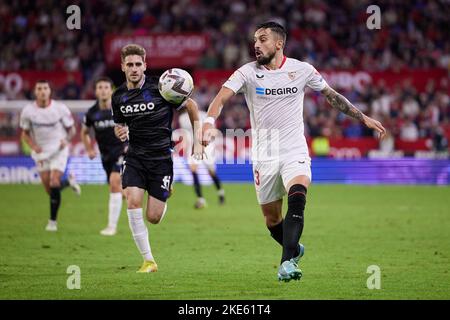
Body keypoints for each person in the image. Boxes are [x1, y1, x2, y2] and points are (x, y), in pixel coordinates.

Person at [201, 22, 386, 282]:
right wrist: (209, 124)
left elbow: (331, 95)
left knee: (298, 195)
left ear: (279, 44)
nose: (256, 44)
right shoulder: (247, 73)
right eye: (255, 40)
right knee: (271, 219)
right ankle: (294, 249)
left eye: (263, 39)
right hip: (264, 156)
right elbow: (220, 97)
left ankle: (286, 263)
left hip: (294, 149)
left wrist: (363, 117)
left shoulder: (302, 70)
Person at [112, 44, 202, 273]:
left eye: (138, 64)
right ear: (122, 66)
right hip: (134, 157)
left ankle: (165, 192)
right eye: (129, 64)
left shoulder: (162, 88)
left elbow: (191, 105)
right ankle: (148, 260)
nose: (134, 69)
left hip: (161, 159)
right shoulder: (118, 96)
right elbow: (119, 126)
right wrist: (119, 131)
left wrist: (198, 139)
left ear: (145, 65)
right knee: (132, 200)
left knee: (152, 217)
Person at [20, 80, 81, 232]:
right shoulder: (28, 111)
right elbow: (25, 134)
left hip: (59, 149)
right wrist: (33, 146)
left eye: (45, 88)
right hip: (41, 153)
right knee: (50, 190)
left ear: (49, 91)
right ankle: (69, 182)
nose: (42, 91)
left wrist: (65, 141)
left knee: (54, 182)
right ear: (35, 92)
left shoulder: (60, 109)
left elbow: (72, 130)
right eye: (39, 88)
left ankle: (52, 222)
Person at [81, 77, 127, 236]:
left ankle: (111, 227)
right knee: (119, 191)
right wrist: (88, 149)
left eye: (106, 87)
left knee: (114, 183)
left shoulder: (120, 109)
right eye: (99, 87)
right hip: (105, 155)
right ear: (95, 91)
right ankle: (137, 191)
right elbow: (84, 132)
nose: (103, 90)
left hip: (123, 151)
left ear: (111, 90)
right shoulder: (92, 113)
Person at [178, 109, 225, 209]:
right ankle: (200, 199)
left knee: (211, 172)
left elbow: (213, 132)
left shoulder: (204, 115)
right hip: (193, 146)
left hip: (206, 145)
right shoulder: (183, 118)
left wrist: (206, 143)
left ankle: (220, 193)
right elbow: (186, 134)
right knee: (193, 170)